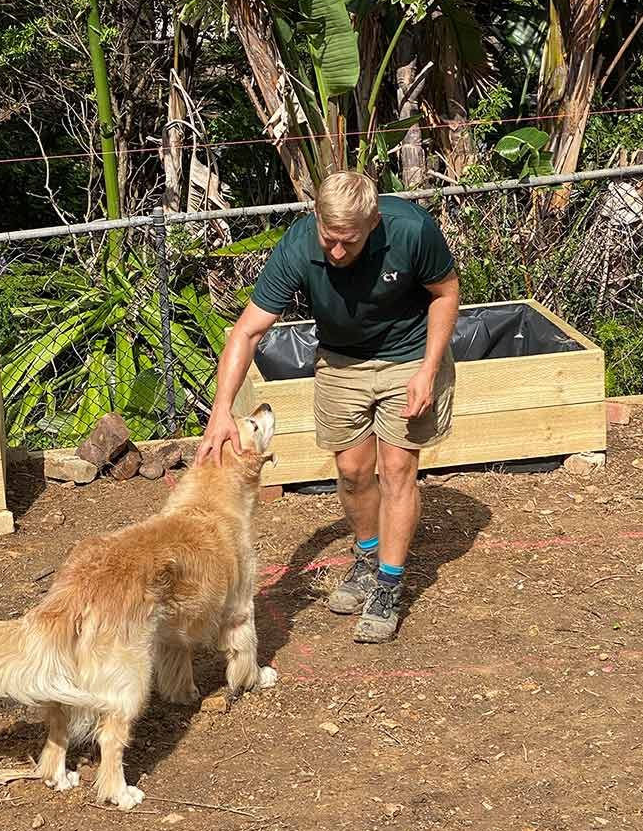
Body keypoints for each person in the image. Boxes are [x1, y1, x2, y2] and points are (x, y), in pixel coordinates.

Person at [195, 170, 460, 644]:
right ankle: (367, 556)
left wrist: (428, 368)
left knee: (397, 470)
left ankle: (388, 585)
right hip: (341, 361)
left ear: (373, 223)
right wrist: (220, 410)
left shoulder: (412, 230)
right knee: (353, 472)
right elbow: (248, 331)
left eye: (349, 242)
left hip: (409, 356)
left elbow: (445, 293)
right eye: (329, 238)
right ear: (316, 217)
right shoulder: (299, 245)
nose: (336, 252)